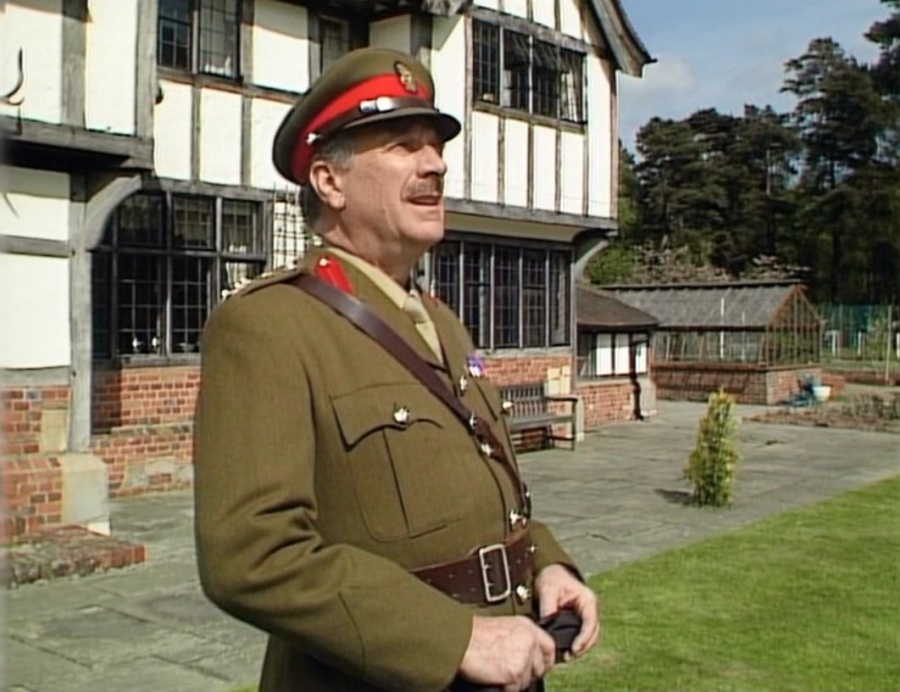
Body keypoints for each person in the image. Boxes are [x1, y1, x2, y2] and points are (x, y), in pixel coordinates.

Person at [192, 47, 599, 692]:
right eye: (404, 146)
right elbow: (252, 555)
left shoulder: (441, 322)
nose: (435, 163)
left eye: (434, 146)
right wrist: (454, 638)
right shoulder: (269, 325)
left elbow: (480, 490)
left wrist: (547, 564)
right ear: (330, 182)